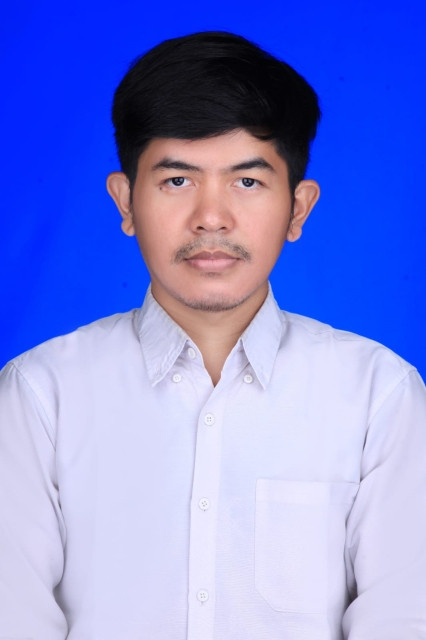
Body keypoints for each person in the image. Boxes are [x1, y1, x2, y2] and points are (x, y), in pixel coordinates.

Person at [0, 31, 425, 640]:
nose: (211, 218)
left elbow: (404, 620)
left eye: (247, 182)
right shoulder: (40, 396)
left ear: (298, 209)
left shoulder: (378, 396)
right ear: (125, 201)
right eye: (178, 180)